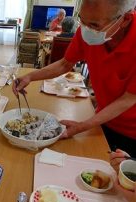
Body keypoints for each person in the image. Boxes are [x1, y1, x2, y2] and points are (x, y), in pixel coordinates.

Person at [13, 0, 136, 157]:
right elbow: (65, 64)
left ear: (125, 19)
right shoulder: (88, 30)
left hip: (131, 132)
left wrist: (81, 126)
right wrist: (30, 76)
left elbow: (128, 99)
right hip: (101, 119)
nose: (86, 30)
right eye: (81, 20)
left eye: (94, 25)